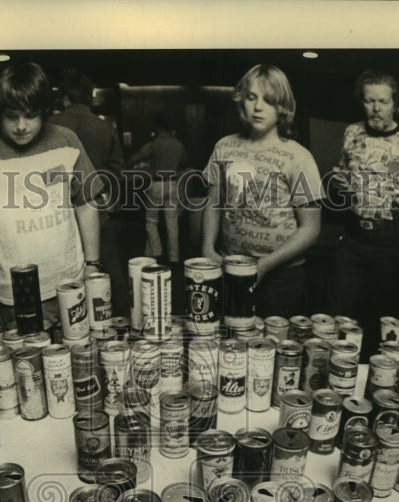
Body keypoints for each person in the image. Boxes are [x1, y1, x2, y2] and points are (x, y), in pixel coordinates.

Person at [0, 62, 101, 331]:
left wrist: (92, 264)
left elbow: (86, 205)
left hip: (70, 285)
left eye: (30, 115)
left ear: (44, 112)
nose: (21, 126)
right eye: (11, 116)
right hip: (12, 298)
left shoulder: (66, 140)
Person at [201, 64, 322, 318]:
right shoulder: (224, 147)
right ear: (241, 101)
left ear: (282, 107)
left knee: (273, 349)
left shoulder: (298, 158)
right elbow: (213, 203)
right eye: (251, 97)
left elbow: (310, 228)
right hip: (230, 267)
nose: (257, 107)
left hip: (281, 278)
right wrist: (208, 248)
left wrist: (265, 264)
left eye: (268, 100)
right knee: (231, 343)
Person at [329, 70, 399, 353]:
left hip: (392, 246)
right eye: (369, 101)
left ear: (394, 103)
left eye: (383, 101)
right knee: (338, 318)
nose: (375, 108)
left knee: (381, 325)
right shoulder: (351, 133)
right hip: (352, 241)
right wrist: (339, 184)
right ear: (361, 103)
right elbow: (342, 177)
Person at [52, 70, 128, 315]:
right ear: (88, 97)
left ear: (65, 96)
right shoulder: (104, 127)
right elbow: (117, 169)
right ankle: (121, 321)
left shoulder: (51, 127)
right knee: (110, 270)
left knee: (60, 275)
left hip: (57, 212)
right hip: (97, 207)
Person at [128, 113, 188, 264]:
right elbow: (184, 162)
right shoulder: (178, 144)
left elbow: (135, 158)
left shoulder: (153, 144)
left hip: (157, 184)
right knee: (172, 222)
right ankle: (174, 257)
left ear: (157, 127)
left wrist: (129, 164)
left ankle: (156, 252)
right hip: (173, 184)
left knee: (151, 220)